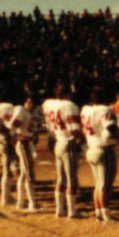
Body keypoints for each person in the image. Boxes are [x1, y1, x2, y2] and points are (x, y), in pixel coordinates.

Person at [81, 87, 119, 222]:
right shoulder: (104, 110)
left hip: (91, 147)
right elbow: (110, 126)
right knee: (105, 185)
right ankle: (106, 214)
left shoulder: (86, 109)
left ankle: (98, 211)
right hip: (103, 149)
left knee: (98, 184)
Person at [42, 82, 82, 218]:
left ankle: (60, 209)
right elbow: (74, 129)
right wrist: (83, 140)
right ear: (68, 94)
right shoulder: (68, 106)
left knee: (61, 178)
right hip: (67, 142)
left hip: (58, 141)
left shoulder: (49, 104)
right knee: (71, 179)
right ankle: (72, 211)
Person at [8, 96, 39, 211]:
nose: (31, 104)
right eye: (29, 102)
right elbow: (12, 126)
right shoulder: (21, 111)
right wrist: (14, 139)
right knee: (28, 173)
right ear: (24, 102)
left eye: (33, 102)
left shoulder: (35, 113)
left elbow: (34, 130)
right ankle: (32, 203)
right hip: (23, 142)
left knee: (23, 174)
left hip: (29, 142)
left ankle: (20, 202)